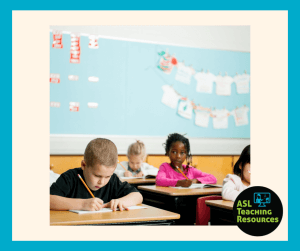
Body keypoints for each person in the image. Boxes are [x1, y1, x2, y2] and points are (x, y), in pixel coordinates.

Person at [50, 138, 143, 211]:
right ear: (84, 165)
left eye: (107, 176)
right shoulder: (69, 178)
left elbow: (138, 196)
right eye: (97, 175)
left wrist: (121, 201)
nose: (101, 182)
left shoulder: (113, 180)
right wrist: (82, 204)